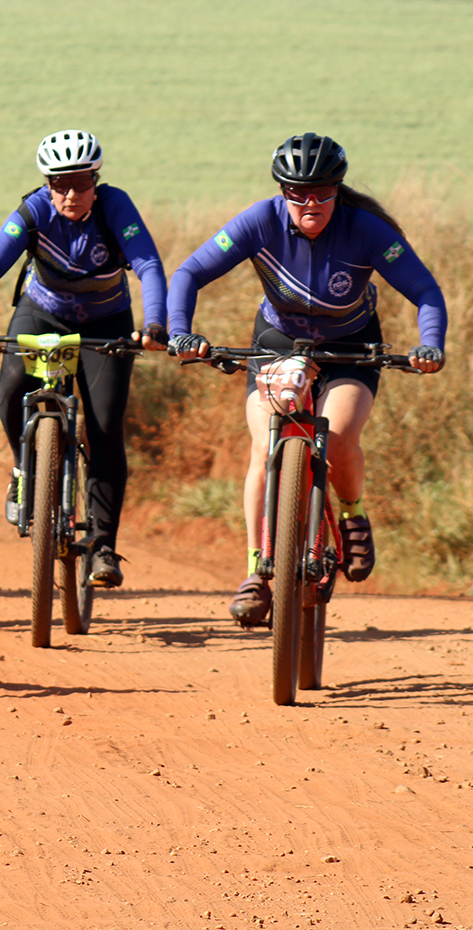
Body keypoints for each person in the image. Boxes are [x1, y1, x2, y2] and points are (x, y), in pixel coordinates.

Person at [166, 133, 446, 628]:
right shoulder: (260, 221)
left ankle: (352, 513)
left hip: (351, 348)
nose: (310, 203)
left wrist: (430, 344)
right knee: (263, 447)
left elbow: (424, 289)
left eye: (321, 192)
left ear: (338, 190)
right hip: (277, 341)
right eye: (297, 193)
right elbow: (189, 273)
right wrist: (180, 333)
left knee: (337, 437)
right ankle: (256, 569)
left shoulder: (366, 230)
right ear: (282, 191)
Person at [0, 130, 169, 588]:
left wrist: (156, 323)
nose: (70, 195)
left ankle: (103, 546)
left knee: (104, 427)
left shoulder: (115, 206)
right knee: (10, 392)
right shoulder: (34, 210)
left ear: (95, 181)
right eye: (60, 184)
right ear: (47, 184)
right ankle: (24, 470)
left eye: (80, 183)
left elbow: (148, 265)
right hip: (42, 314)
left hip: (107, 322)